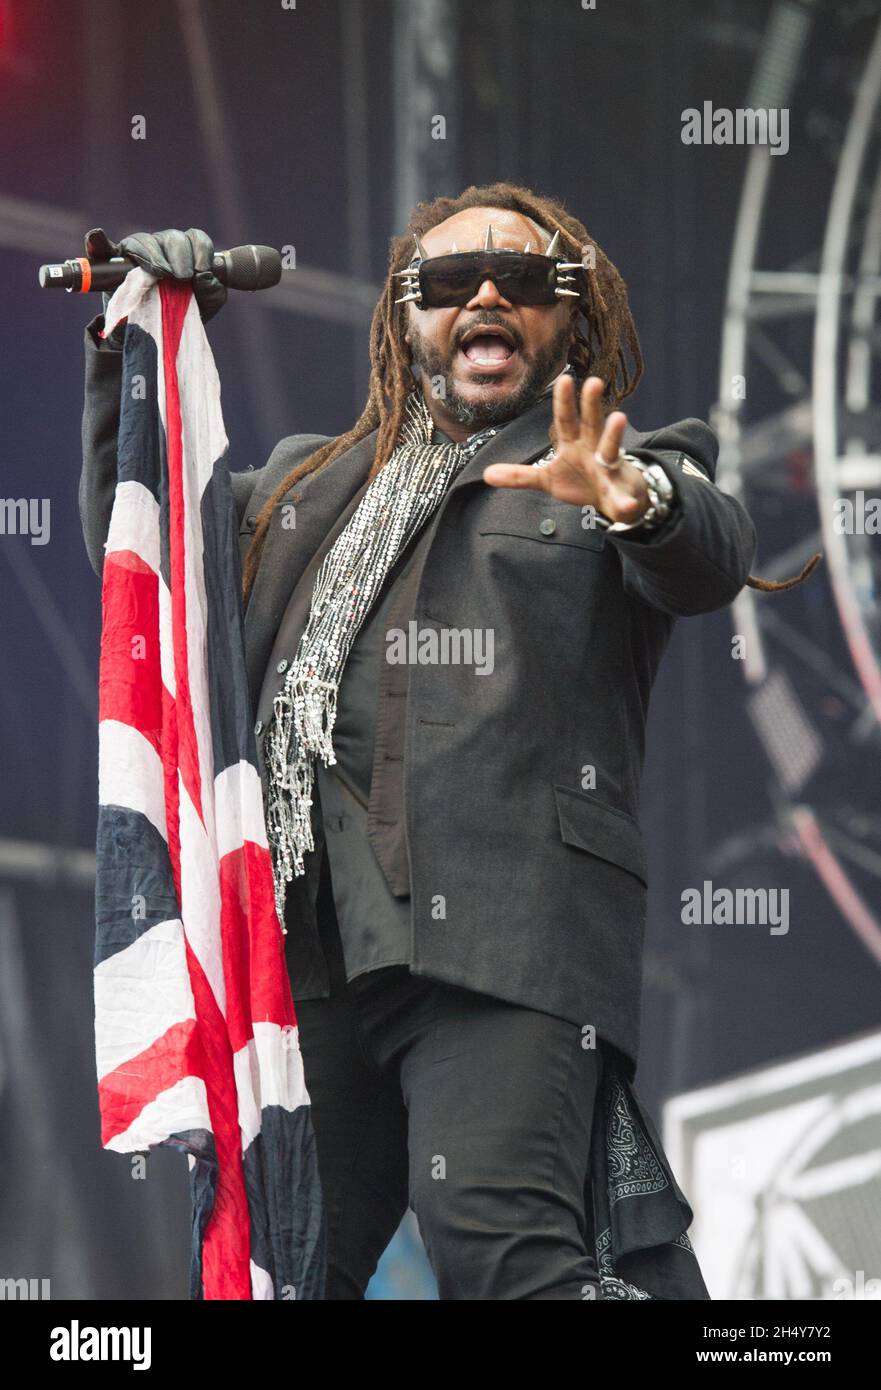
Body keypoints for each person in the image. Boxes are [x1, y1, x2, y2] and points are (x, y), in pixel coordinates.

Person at [79, 181, 757, 1300]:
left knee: (497, 1247)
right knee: (283, 1274)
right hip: (303, 959)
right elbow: (147, 566)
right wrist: (127, 345)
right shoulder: (299, 485)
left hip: (497, 936)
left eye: (522, 280)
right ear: (407, 318)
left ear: (568, 317)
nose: (484, 294)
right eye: (448, 282)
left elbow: (704, 551)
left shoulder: (605, 461)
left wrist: (630, 494)